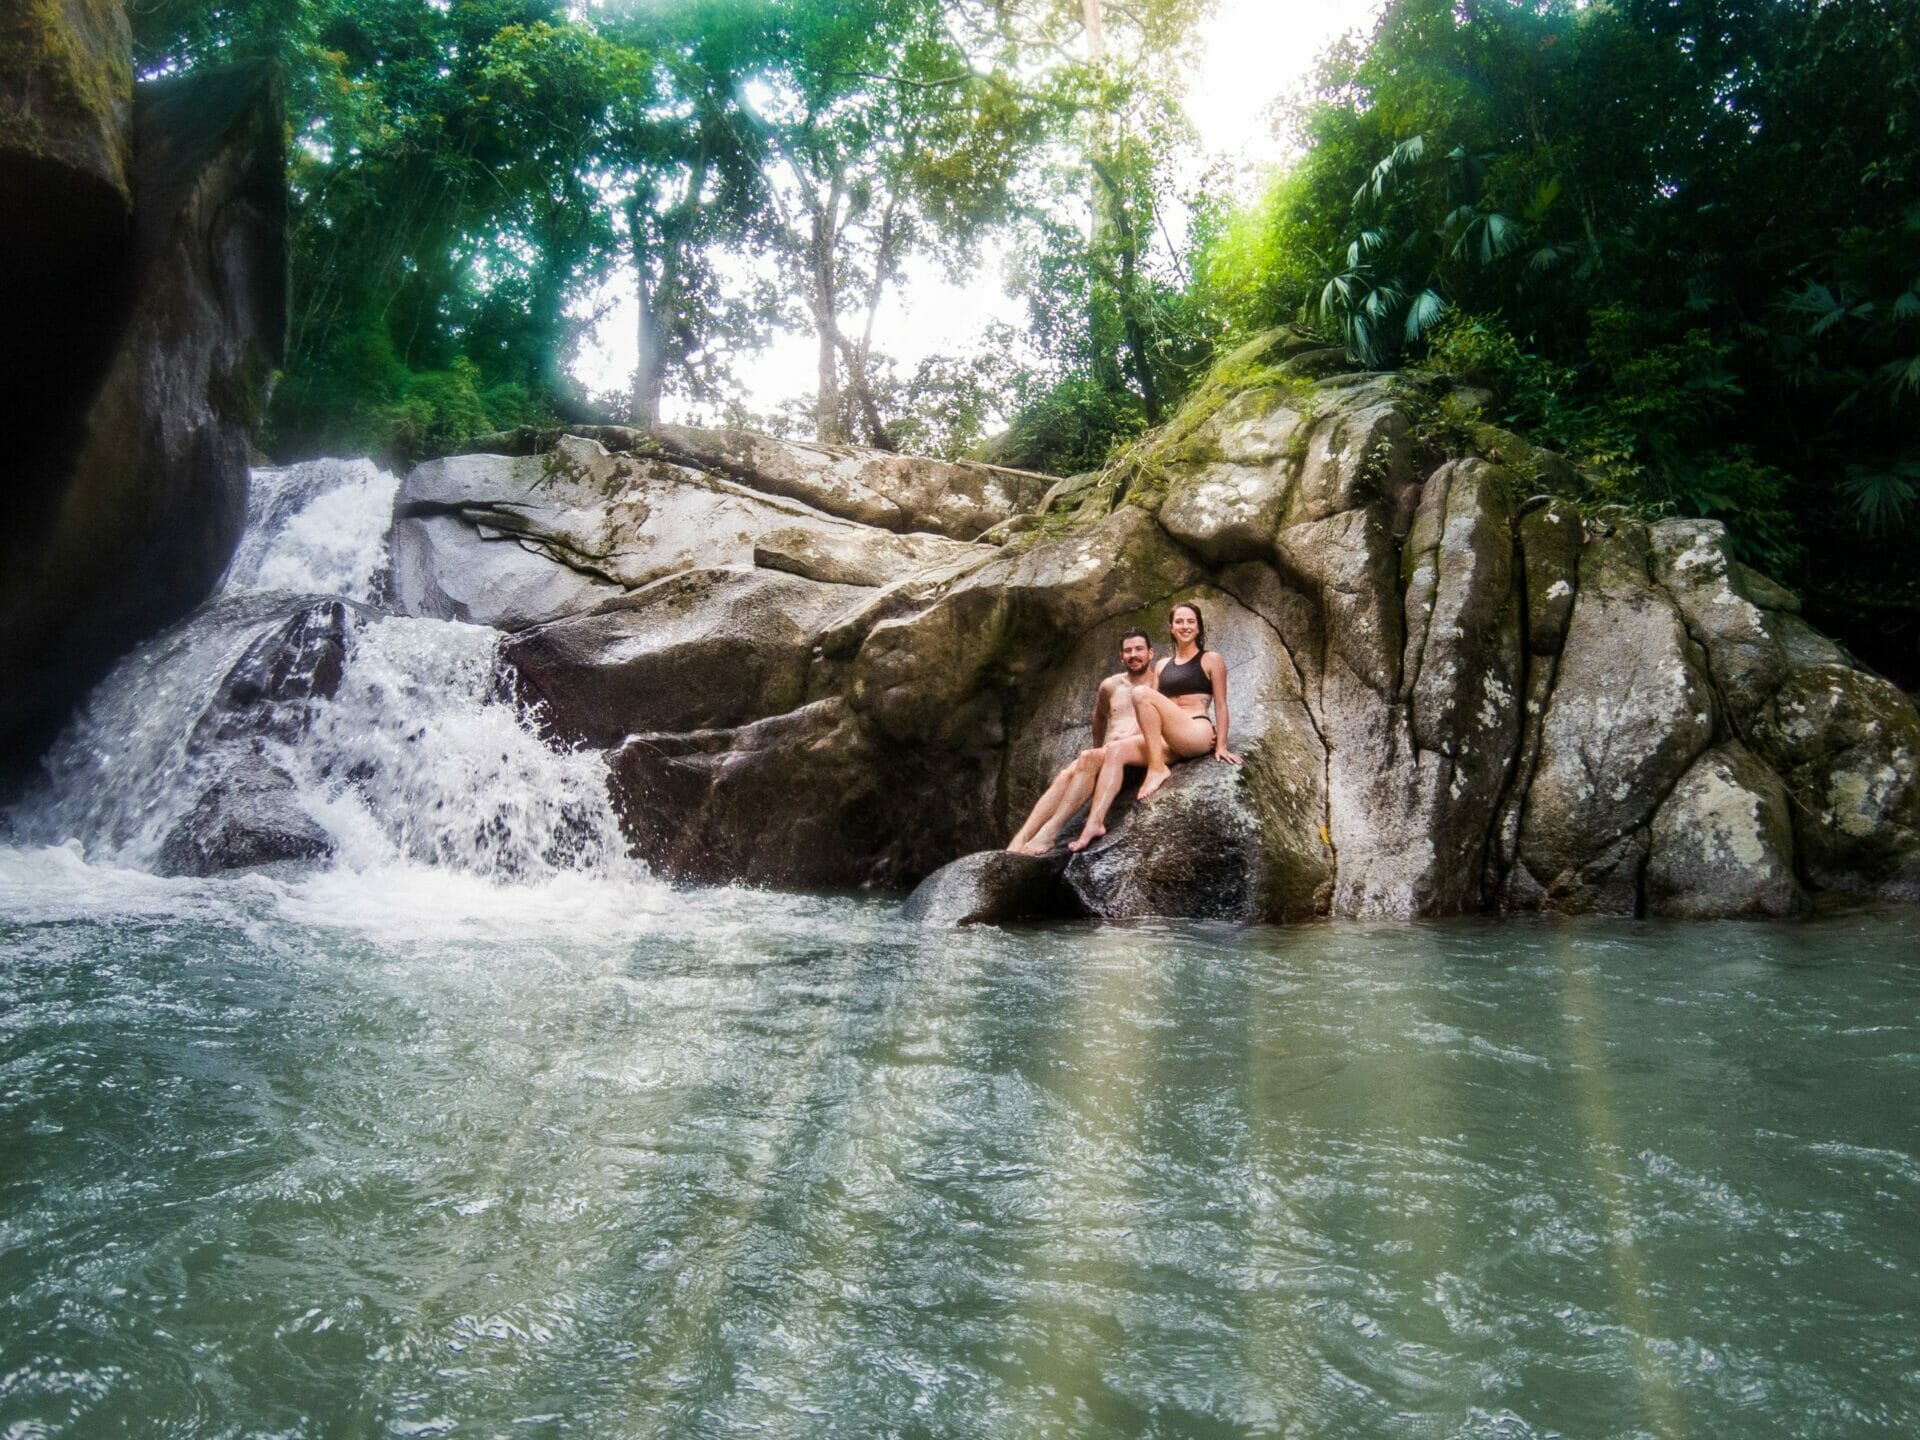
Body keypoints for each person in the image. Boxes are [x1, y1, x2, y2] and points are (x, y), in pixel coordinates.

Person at [1066, 600, 1241, 853]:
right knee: (1115, 750)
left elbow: (1222, 705)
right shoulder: (1161, 665)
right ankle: (1094, 824)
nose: (1185, 626)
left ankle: (1157, 769)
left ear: (1199, 628)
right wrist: (1132, 736)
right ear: (1171, 627)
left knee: (1141, 694)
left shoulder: (1211, 659)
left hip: (1195, 730)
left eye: (1190, 621)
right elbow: (1151, 710)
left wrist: (1222, 745)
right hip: (1167, 740)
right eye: (1179, 621)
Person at [1006, 630, 1158, 856]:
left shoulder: (1159, 683)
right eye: (1128, 650)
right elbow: (1099, 716)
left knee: (1086, 758)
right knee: (1066, 775)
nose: (1133, 655)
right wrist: (1099, 746)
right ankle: (1022, 837)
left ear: (1150, 653)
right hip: (1108, 753)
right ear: (1120, 656)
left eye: (1139, 649)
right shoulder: (1111, 685)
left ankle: (1049, 833)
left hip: (1133, 755)